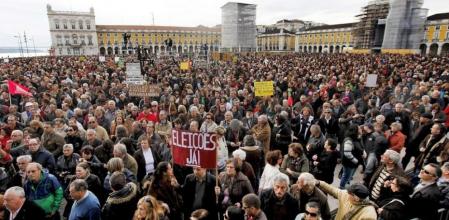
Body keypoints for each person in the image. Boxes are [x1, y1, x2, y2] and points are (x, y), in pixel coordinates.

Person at [340, 124, 364, 189]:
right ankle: (342, 187)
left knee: (348, 176)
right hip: (349, 162)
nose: (360, 129)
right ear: (355, 130)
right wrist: (355, 160)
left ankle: (345, 186)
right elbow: (347, 153)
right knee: (346, 176)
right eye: (359, 129)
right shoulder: (349, 140)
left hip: (351, 163)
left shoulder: (354, 138)